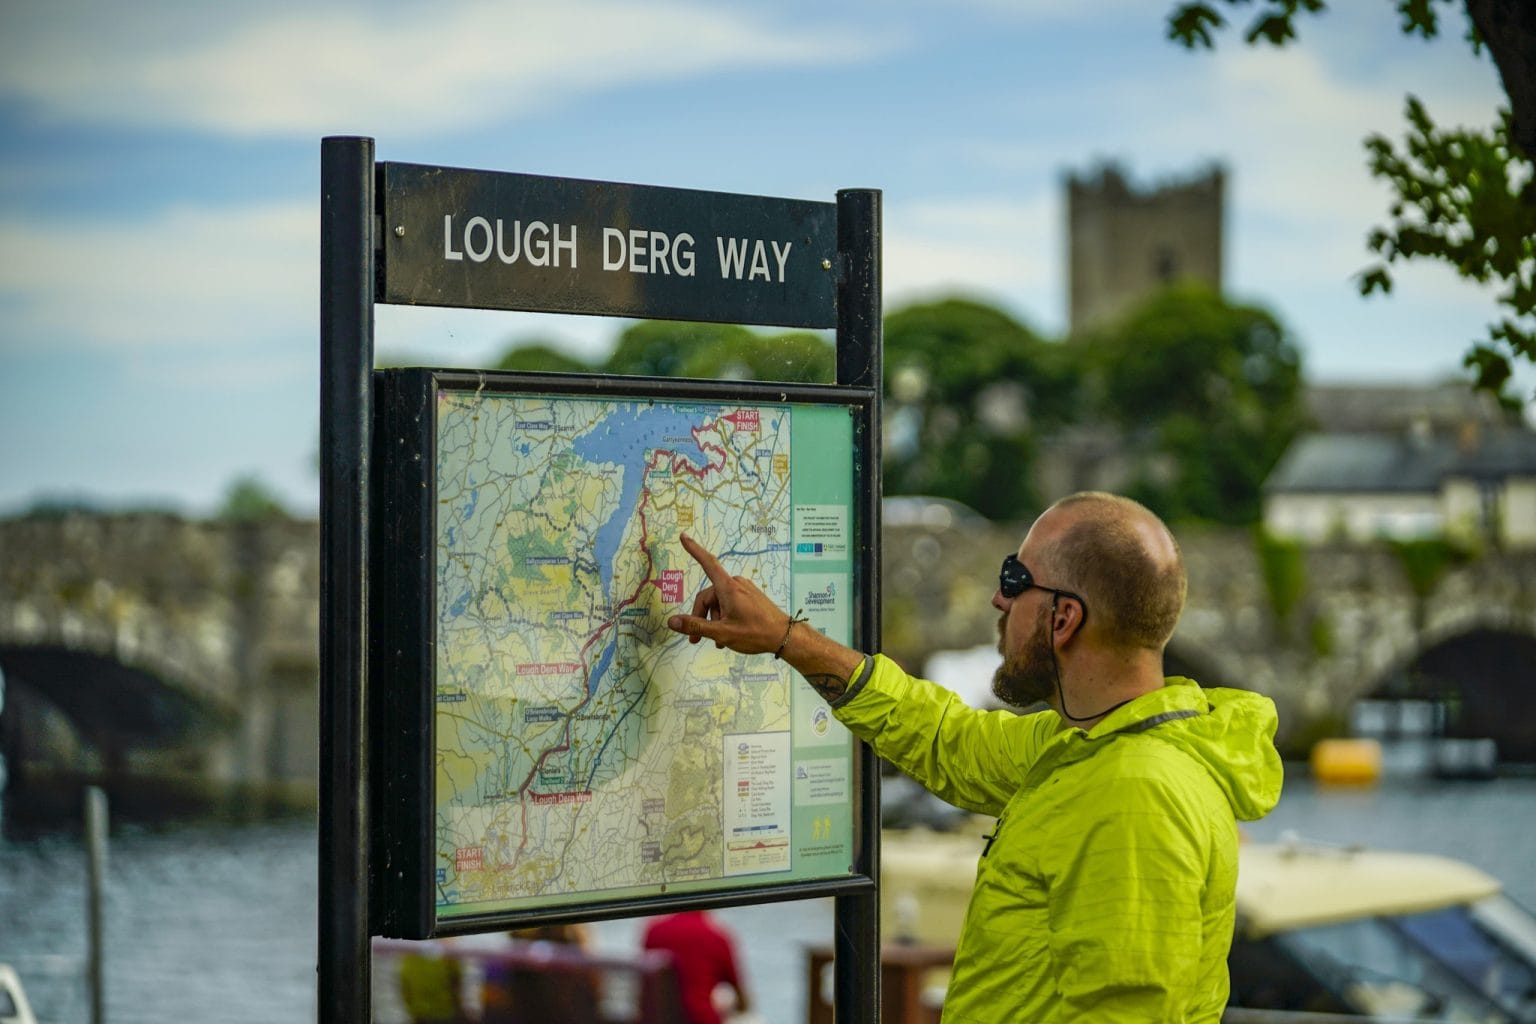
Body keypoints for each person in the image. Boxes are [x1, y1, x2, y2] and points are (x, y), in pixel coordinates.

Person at [666, 491, 1284, 1023]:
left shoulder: (1136, 792)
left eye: (1015, 580)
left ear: (1064, 617)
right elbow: (946, 739)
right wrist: (786, 638)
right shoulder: (1085, 746)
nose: (997, 598)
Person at [642, 910, 752, 1024]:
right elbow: (741, 999)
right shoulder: (717, 937)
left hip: (658, 1018)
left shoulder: (654, 931)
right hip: (701, 1018)